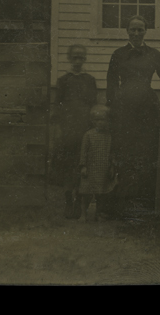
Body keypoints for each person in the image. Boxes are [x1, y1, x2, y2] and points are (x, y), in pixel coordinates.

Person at [105, 16, 160, 214]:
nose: (137, 34)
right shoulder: (118, 54)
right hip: (124, 109)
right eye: (133, 30)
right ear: (127, 31)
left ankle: (144, 200)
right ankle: (122, 200)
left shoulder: (154, 54)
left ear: (146, 31)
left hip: (147, 108)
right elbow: (111, 85)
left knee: (147, 150)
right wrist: (112, 110)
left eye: (140, 30)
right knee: (125, 151)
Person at [52, 43, 98, 219]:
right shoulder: (63, 80)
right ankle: (68, 202)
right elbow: (58, 105)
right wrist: (58, 127)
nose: (78, 60)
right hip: (68, 128)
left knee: (82, 162)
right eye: (75, 57)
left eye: (81, 57)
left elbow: (93, 104)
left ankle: (79, 200)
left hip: (84, 128)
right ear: (70, 59)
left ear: (85, 59)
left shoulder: (90, 80)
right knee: (67, 164)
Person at [78, 105, 115, 222]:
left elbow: (112, 153)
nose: (100, 123)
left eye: (103, 120)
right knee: (86, 193)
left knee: (101, 194)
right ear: (93, 121)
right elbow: (83, 152)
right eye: (97, 120)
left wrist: (112, 166)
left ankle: (98, 214)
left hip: (103, 168)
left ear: (108, 121)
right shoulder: (88, 135)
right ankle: (83, 214)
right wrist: (83, 166)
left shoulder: (109, 136)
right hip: (90, 168)